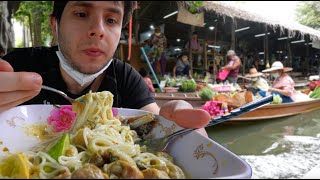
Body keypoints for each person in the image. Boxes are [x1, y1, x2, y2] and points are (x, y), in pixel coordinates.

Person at [0, 1, 210, 131]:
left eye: (111, 20)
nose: (98, 30)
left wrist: (172, 126)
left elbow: (154, 122)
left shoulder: (125, 77)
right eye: (81, 14)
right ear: (55, 25)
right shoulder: (19, 66)